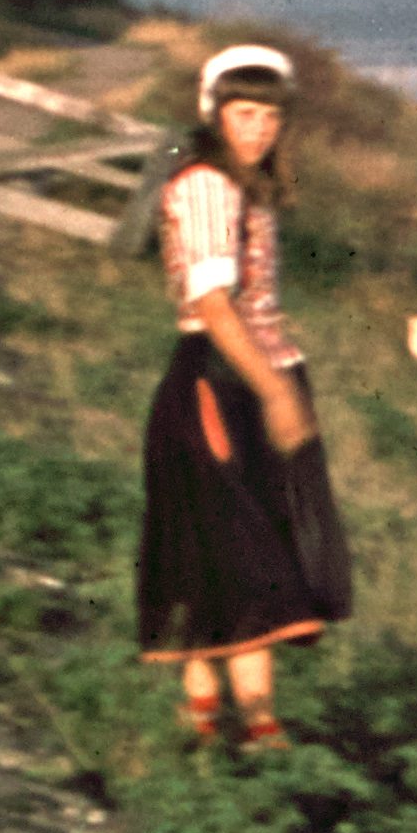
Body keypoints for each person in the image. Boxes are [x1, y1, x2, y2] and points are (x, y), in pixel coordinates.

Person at [135, 44, 353, 742]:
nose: (258, 130)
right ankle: (246, 720)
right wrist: (276, 393)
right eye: (244, 114)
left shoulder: (245, 188)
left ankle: (221, 717)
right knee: (236, 547)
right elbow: (214, 305)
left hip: (248, 374)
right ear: (215, 114)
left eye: (270, 117)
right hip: (220, 380)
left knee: (230, 545)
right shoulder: (207, 186)